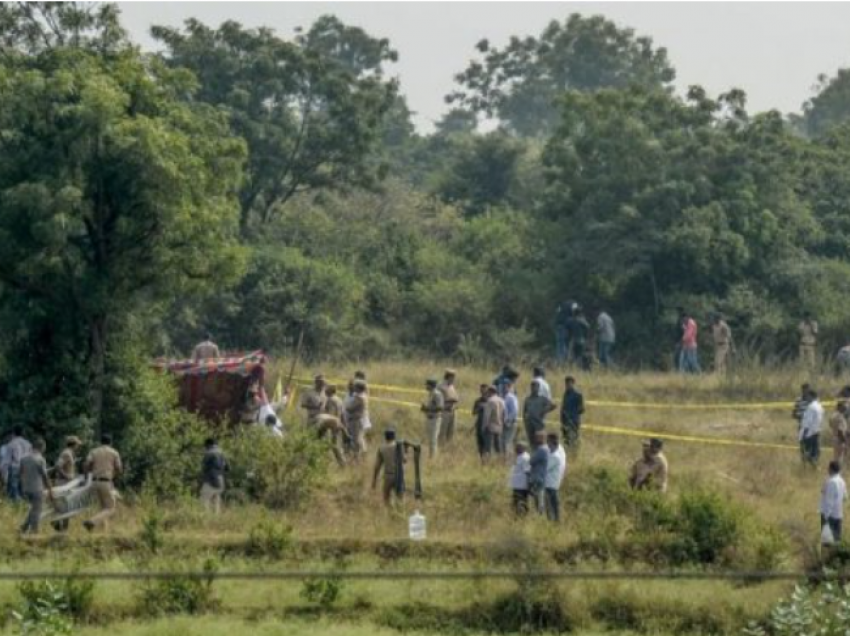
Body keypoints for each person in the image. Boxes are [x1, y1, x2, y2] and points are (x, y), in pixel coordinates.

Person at [83, 434, 123, 532]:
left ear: (100, 442)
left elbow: (86, 464)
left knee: (103, 508)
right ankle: (92, 521)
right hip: (106, 482)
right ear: (111, 442)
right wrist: (113, 476)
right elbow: (119, 468)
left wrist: (86, 477)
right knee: (111, 508)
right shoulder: (114, 452)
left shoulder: (93, 451)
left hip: (94, 482)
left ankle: (104, 532)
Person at [19, 438, 52, 535]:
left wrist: (22, 487)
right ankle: (34, 533)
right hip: (37, 488)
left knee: (33, 509)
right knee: (37, 511)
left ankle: (23, 528)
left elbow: (20, 473)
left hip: (26, 488)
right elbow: (45, 476)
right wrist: (50, 490)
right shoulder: (40, 459)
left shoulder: (23, 459)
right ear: (41, 447)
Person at [53, 436, 82, 531]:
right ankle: (60, 526)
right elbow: (58, 466)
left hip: (66, 482)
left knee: (67, 507)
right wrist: (66, 476)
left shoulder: (69, 454)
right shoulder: (66, 453)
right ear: (74, 444)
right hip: (64, 483)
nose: (78, 447)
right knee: (66, 507)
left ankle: (62, 528)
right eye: (78, 445)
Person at [372, 428, 402, 507]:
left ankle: (389, 514)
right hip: (398, 476)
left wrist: (374, 480)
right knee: (399, 499)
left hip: (387, 476)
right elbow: (404, 460)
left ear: (385, 437)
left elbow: (377, 466)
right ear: (394, 437)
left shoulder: (381, 448)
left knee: (386, 500)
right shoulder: (398, 447)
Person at [820, 460, 847, 543]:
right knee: (837, 541)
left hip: (830, 516)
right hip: (839, 515)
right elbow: (845, 497)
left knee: (827, 543)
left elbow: (829, 501)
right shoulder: (842, 481)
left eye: (828, 468)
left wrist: (826, 516)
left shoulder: (831, 482)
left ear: (831, 469)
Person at [522, 380, 556, 446]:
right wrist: (525, 421)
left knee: (539, 442)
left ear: (538, 388)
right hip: (529, 424)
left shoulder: (542, 398)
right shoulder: (528, 399)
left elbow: (553, 405)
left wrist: (544, 411)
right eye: (532, 387)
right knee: (531, 442)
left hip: (539, 424)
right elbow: (524, 411)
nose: (533, 389)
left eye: (535, 387)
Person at [200, 438, 228, 515]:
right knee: (216, 497)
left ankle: (206, 516)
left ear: (208, 445)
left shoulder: (209, 453)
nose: (204, 447)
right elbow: (227, 467)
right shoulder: (222, 453)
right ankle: (216, 517)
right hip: (220, 478)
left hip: (211, 479)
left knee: (204, 497)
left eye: (205, 446)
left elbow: (204, 467)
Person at [5, 426, 32, 502]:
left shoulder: (11, 444)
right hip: (26, 468)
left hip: (15, 468)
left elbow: (7, 461)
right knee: (23, 489)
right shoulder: (28, 444)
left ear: (13, 433)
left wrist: (4, 474)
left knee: (14, 491)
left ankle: (16, 507)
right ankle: (25, 506)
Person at [800, 389, 824, 466]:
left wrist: (804, 435)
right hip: (816, 432)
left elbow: (808, 422)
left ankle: (807, 469)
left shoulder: (811, 407)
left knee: (806, 453)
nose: (806, 398)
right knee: (815, 453)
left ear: (811, 396)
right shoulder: (820, 406)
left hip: (808, 434)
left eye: (808, 396)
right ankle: (814, 467)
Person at [544, 433, 565, 522]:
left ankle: (554, 521)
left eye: (548, 441)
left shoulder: (555, 456)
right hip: (551, 482)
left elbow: (545, 467)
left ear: (552, 442)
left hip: (551, 483)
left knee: (551, 504)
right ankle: (554, 520)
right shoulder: (553, 453)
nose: (546, 443)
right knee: (551, 503)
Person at [421, 378, 445, 458]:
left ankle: (433, 458)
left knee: (433, 440)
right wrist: (425, 409)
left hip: (435, 419)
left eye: (427, 384)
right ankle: (431, 456)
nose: (426, 386)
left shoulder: (437, 394)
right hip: (429, 418)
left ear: (431, 385)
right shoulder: (430, 393)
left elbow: (440, 407)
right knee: (430, 440)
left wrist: (428, 409)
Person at [345, 380, 369, 460]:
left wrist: (347, 404)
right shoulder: (363, 396)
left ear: (358, 388)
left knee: (356, 439)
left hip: (356, 420)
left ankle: (357, 457)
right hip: (359, 420)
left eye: (355, 386)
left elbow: (349, 407)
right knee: (359, 438)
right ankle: (361, 455)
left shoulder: (359, 398)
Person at [560, 376, 585, 449]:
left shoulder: (578, 395)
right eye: (566, 383)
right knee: (566, 441)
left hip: (573, 422)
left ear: (573, 383)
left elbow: (582, 409)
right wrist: (562, 419)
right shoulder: (565, 394)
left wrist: (573, 413)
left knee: (574, 440)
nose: (567, 385)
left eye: (569, 383)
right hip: (565, 422)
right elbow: (563, 407)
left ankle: (575, 453)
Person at [482, 385, 506, 459]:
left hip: (490, 427)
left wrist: (483, 426)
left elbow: (486, 416)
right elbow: (504, 414)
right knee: (498, 447)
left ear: (490, 392)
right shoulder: (502, 400)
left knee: (488, 447)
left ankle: (488, 461)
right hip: (499, 427)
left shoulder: (490, 401)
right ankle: (500, 460)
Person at [528, 431, 550, 515]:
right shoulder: (546, 448)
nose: (535, 439)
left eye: (537, 437)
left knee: (538, 497)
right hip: (542, 475)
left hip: (538, 476)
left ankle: (540, 514)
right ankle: (540, 514)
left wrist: (532, 456)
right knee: (539, 496)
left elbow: (531, 461)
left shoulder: (541, 449)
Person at [438, 369, 460, 445]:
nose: (454, 379)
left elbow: (456, 397)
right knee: (442, 431)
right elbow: (439, 399)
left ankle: (448, 446)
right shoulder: (441, 386)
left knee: (451, 431)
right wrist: (450, 400)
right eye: (453, 377)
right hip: (444, 411)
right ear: (449, 377)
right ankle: (440, 445)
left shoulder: (452, 387)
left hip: (453, 411)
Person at [508, 442, 531, 517]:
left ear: (524, 449)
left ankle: (522, 516)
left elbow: (528, 472)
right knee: (516, 502)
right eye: (516, 447)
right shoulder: (519, 456)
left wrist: (529, 485)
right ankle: (517, 516)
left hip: (522, 486)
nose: (516, 449)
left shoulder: (525, 458)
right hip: (517, 485)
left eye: (519, 447)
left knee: (521, 501)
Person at [472, 384, 489, 460]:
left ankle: (487, 459)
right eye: (481, 390)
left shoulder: (491, 400)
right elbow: (473, 413)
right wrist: (479, 408)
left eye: (484, 390)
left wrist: (485, 406)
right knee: (480, 443)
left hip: (488, 425)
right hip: (479, 424)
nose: (482, 392)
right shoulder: (478, 401)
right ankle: (482, 459)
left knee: (487, 444)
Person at [502, 382, 520, 456]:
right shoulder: (506, 397)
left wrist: (507, 420)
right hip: (507, 423)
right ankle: (507, 458)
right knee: (506, 442)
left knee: (506, 442)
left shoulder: (510, 397)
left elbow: (514, 411)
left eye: (507, 387)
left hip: (510, 423)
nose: (505, 389)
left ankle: (508, 459)